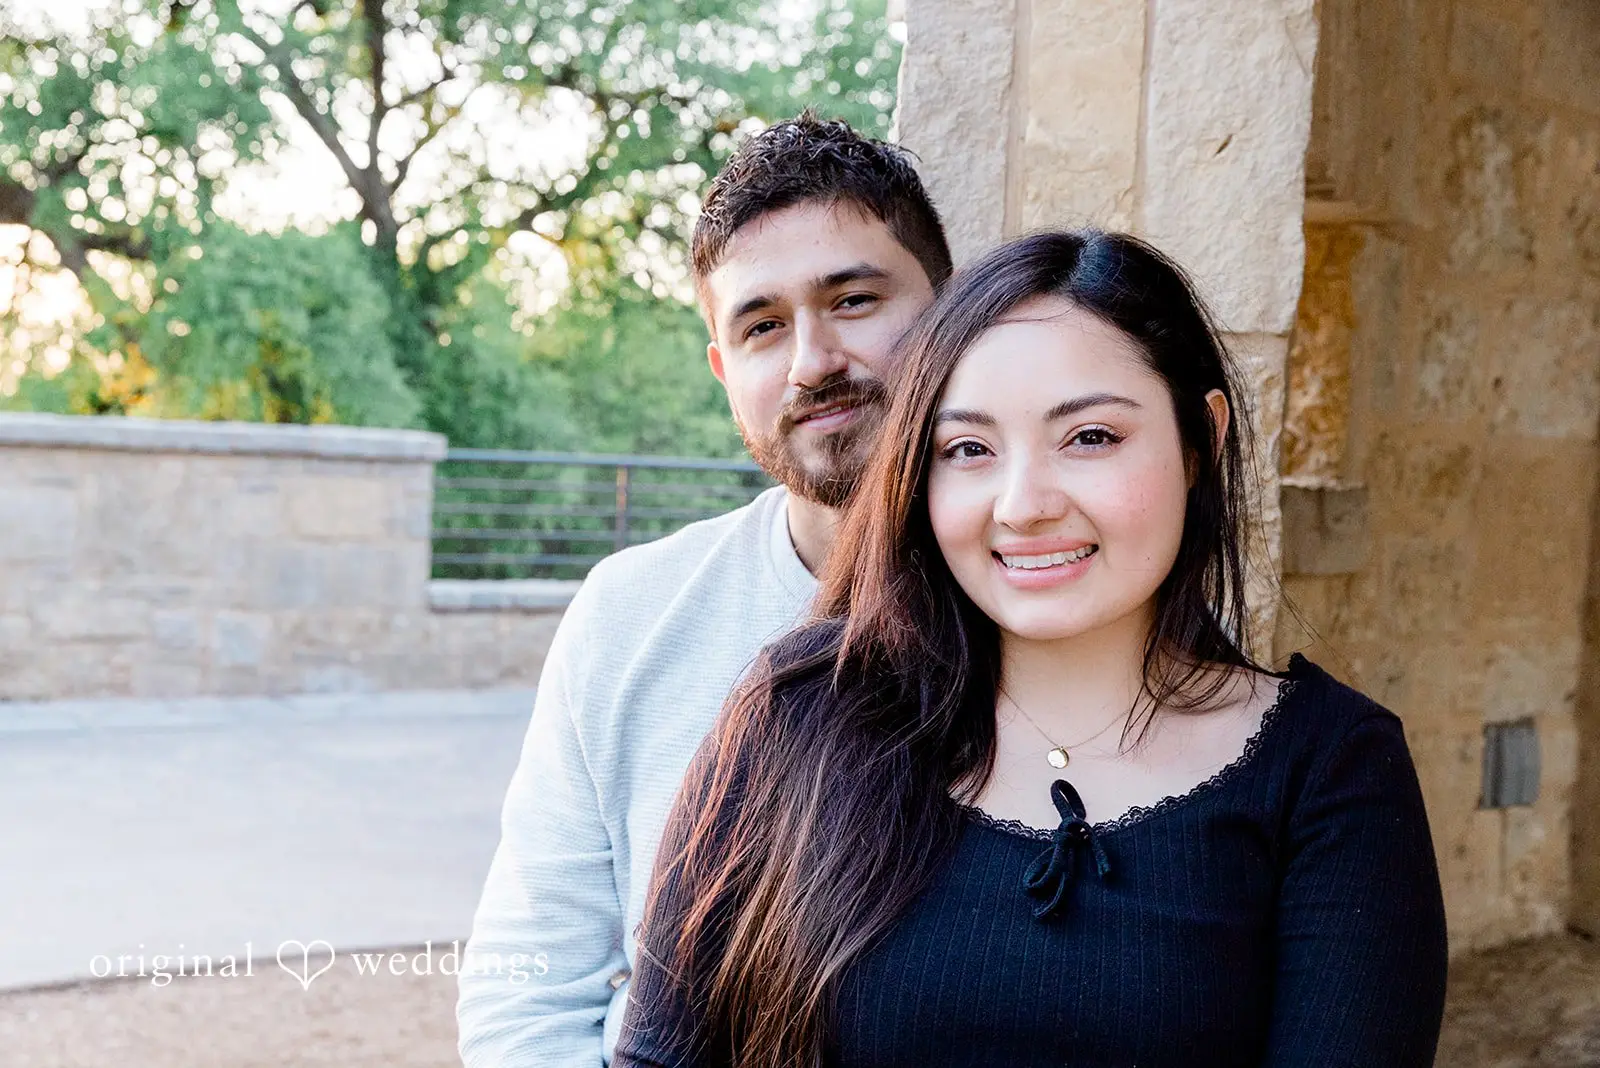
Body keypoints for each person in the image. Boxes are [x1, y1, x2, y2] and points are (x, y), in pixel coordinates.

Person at [614, 229, 1450, 1068]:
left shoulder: (1333, 769)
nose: (1022, 506)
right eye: (968, 450)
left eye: (1090, 437)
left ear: (1203, 440)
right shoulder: (798, 712)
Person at [455, 112, 952, 1067]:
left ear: (948, 309)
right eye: (762, 326)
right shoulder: (630, 611)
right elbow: (528, 972)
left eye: (853, 300)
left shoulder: (1049, 598)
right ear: (727, 371)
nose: (812, 361)